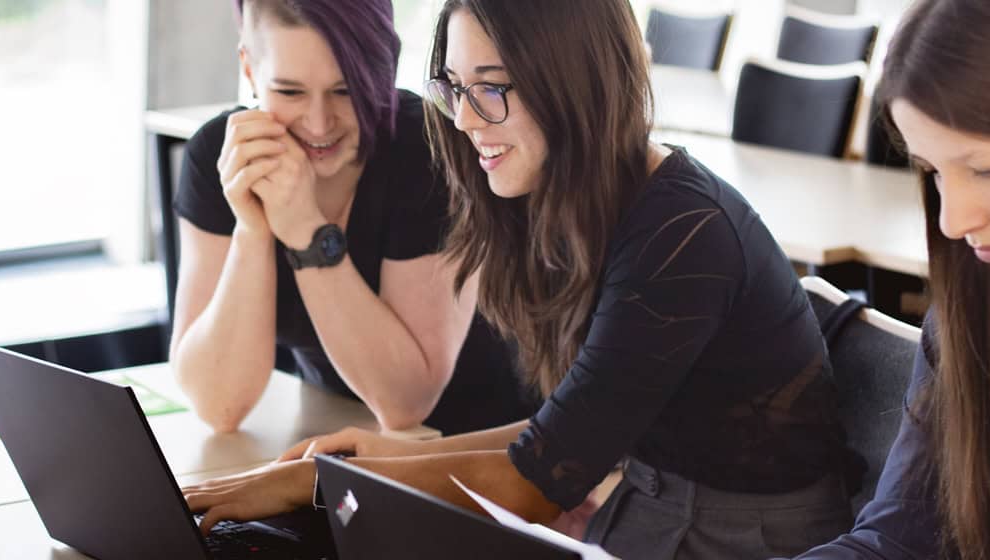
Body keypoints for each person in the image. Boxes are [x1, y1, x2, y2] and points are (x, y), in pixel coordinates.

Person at [181, 1, 860, 558]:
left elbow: (542, 480)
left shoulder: (683, 233)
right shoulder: (581, 202)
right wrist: (406, 456)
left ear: (572, 80)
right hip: (650, 513)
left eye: (494, 88)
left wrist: (315, 483)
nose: (468, 119)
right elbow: (560, 432)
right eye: (455, 87)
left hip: (744, 542)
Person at [169, 0, 535, 435]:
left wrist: (306, 231)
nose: (320, 124)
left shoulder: (428, 152)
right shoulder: (222, 156)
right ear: (249, 68)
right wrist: (253, 230)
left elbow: (406, 404)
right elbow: (218, 405)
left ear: (384, 68)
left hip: (488, 447)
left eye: (345, 90)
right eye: (290, 92)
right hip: (339, 439)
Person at [791, 1, 990, 558]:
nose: (952, 221)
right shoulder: (975, 308)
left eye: (985, 169)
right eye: (934, 172)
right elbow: (899, 536)